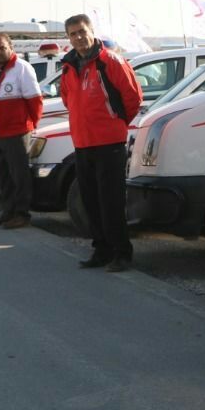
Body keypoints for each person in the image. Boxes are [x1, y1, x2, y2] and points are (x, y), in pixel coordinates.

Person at [59, 14, 143, 271]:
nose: (79, 38)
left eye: (82, 32)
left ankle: (122, 253)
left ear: (92, 31)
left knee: (111, 202)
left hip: (109, 143)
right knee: (91, 201)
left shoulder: (111, 61)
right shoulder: (69, 65)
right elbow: (67, 99)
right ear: (69, 38)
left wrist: (115, 123)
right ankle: (102, 250)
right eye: (73, 34)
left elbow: (133, 98)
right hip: (83, 143)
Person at [0, 33, 43, 229]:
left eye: (2, 48)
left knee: (19, 176)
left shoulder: (22, 68)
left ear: (11, 47)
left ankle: (22, 214)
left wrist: (30, 125)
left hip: (17, 132)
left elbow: (35, 100)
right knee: (4, 176)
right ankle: (8, 211)